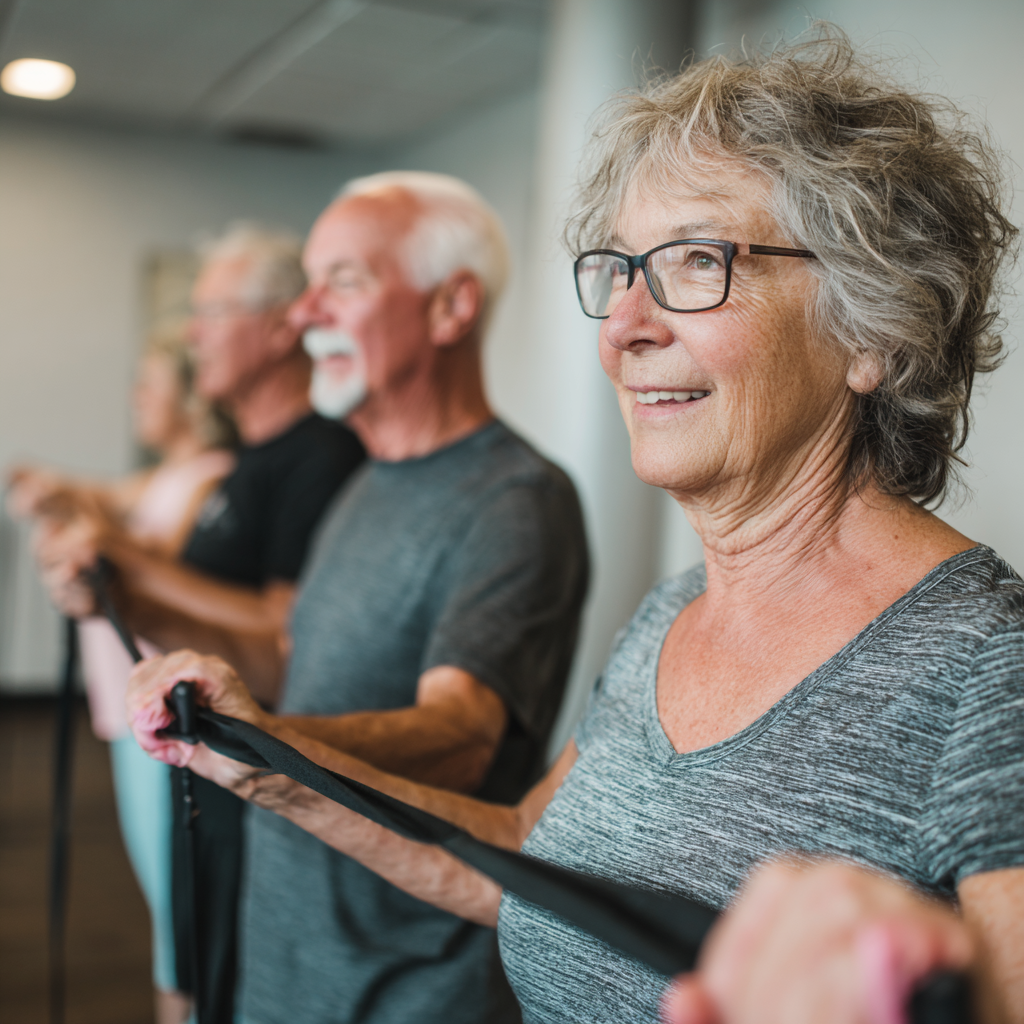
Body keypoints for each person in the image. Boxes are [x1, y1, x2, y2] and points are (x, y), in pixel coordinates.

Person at [125, 31, 1023, 1024]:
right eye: (620, 268)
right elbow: (521, 855)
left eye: (696, 259)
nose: (624, 325)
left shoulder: (989, 666)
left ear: (873, 329)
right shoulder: (672, 616)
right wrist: (266, 763)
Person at [52, 173, 590, 1024]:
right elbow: (294, 662)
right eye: (307, 285)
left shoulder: (516, 499)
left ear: (451, 308)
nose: (303, 314)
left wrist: (264, 750)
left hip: (402, 982)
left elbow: (461, 741)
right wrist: (137, 607)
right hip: (285, 953)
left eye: (343, 281)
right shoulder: (365, 481)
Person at [35, 224, 366, 1023]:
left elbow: (282, 635)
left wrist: (128, 564)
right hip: (197, 763)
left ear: (284, 324)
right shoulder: (248, 461)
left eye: (213, 310)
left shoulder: (319, 457)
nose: (195, 333)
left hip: (254, 781)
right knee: (183, 959)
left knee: (211, 973)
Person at [8, 332, 235, 1024]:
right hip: (127, 714)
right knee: (164, 902)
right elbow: (107, 498)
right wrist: (51, 489)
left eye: (149, 386)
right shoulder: (165, 475)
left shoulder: (212, 475)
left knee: (178, 912)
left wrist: (86, 530)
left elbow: (152, 558)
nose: (135, 398)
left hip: (164, 723)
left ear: (191, 400)